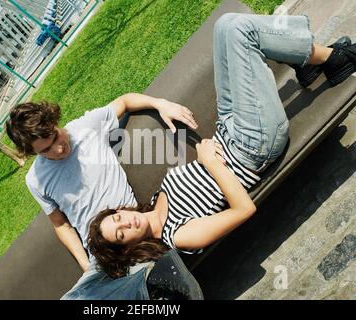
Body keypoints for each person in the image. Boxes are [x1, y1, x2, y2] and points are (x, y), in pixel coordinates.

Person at [87, 13, 356, 278]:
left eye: (118, 218)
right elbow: (243, 209)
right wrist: (211, 163)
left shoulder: (156, 202)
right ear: (129, 250)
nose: (127, 222)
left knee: (225, 26)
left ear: (120, 210)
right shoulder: (179, 236)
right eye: (121, 234)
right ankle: (328, 58)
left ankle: (314, 59)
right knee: (241, 32)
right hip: (254, 145)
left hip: (229, 128)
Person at [6, 93, 203, 299]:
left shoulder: (87, 127)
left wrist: (160, 103)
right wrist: (85, 265)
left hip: (130, 238)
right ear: (32, 152)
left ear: (54, 121)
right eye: (46, 150)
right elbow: (60, 225)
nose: (58, 148)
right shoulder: (36, 180)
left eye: (55, 136)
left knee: (147, 289)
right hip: (99, 258)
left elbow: (125, 102)